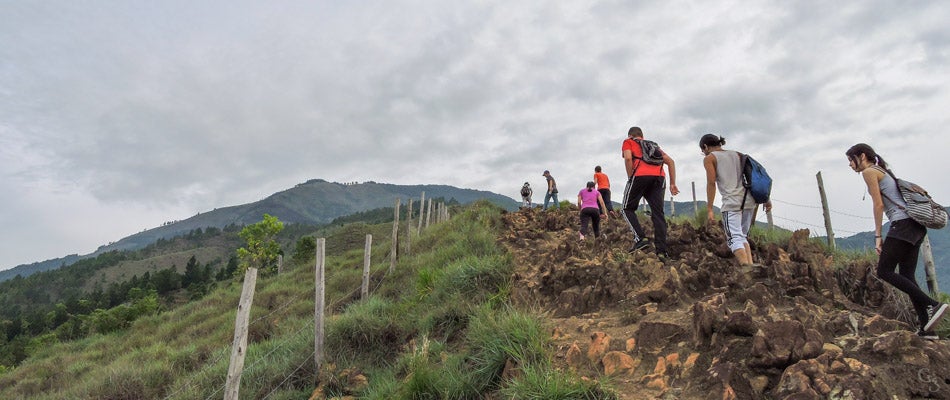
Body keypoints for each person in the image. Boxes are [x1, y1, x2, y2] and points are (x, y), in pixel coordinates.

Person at [846, 143, 948, 339]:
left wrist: (878, 236)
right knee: (907, 275)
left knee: (884, 271)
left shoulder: (869, 172)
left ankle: (933, 305)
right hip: (916, 226)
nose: (850, 165)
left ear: (862, 156)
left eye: (851, 160)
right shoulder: (883, 171)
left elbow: (878, 205)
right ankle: (928, 328)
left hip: (902, 225)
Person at [700, 134, 773, 266]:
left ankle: (746, 268)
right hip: (749, 201)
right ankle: (751, 267)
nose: (703, 153)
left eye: (702, 151)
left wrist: (710, 208)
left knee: (734, 238)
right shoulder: (738, 155)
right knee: (742, 236)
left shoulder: (710, 159)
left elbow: (711, 183)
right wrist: (766, 198)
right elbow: (756, 175)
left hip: (732, 203)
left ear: (705, 146)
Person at [621, 126, 679, 259]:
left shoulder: (628, 142)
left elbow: (628, 158)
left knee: (626, 208)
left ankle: (641, 239)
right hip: (659, 178)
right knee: (658, 214)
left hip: (640, 175)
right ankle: (662, 251)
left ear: (631, 135)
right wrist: (672, 183)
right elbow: (670, 162)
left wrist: (631, 177)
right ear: (642, 135)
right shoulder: (653, 146)